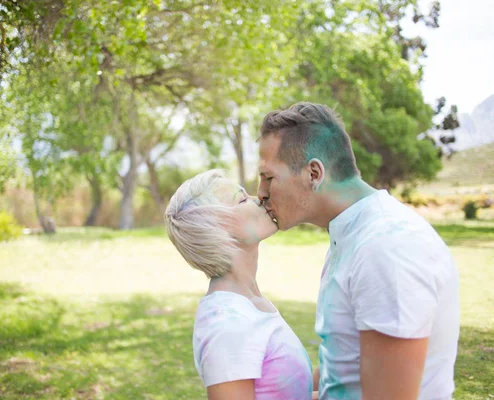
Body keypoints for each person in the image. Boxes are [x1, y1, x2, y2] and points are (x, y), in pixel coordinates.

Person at [257, 102, 460, 400]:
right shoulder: (351, 235)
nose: (260, 192)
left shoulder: (386, 247)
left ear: (313, 173)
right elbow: (341, 374)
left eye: (268, 177)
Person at [164, 169, 314, 400]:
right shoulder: (226, 323)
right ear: (217, 227)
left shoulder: (251, 303)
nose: (259, 200)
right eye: (242, 199)